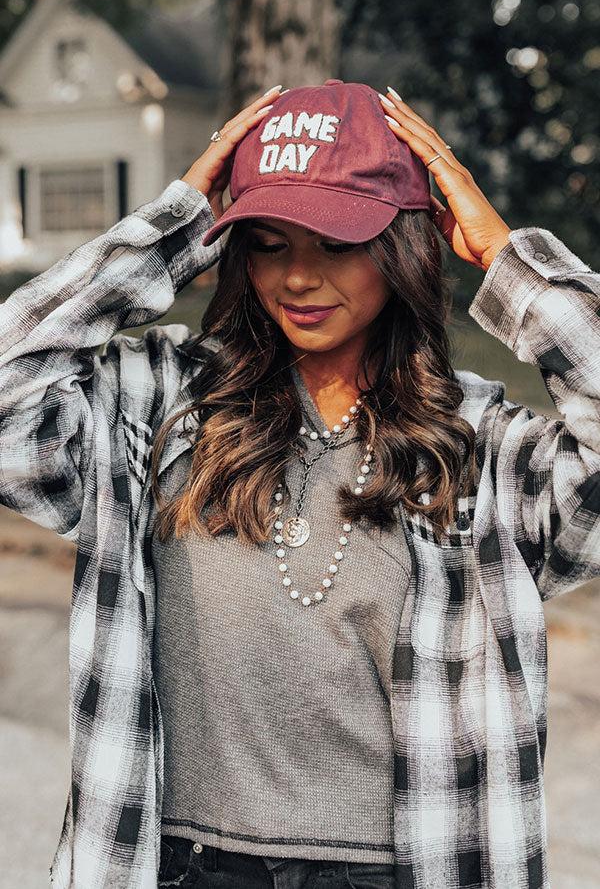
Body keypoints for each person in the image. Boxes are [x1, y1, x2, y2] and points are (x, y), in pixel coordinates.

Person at [0, 79, 598, 889]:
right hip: (180, 868)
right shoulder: (159, 403)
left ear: (402, 246)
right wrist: (171, 230)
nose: (298, 279)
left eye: (336, 243)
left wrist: (508, 259)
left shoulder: (481, 449)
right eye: (270, 243)